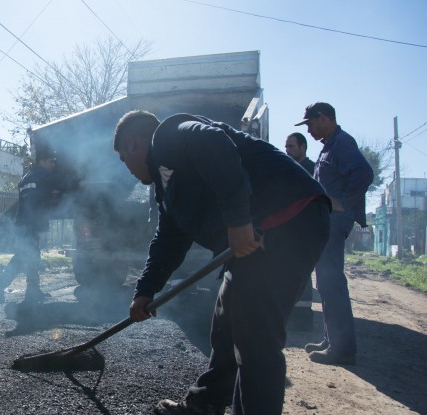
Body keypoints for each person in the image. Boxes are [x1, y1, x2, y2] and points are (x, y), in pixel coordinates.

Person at [114, 110, 331, 415]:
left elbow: (213, 142)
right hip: (266, 233)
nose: (127, 169)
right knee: (227, 318)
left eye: (124, 159)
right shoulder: (166, 186)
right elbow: (169, 239)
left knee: (254, 337)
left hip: (287, 217)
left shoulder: (168, 134)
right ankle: (205, 403)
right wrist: (145, 291)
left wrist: (238, 219)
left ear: (132, 143)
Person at [295, 102, 373, 365]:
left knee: (332, 282)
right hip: (327, 223)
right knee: (325, 282)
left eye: (310, 123)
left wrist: (344, 202)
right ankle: (332, 340)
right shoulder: (329, 145)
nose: (309, 129)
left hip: (334, 222)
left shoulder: (342, 142)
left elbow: (364, 173)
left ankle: (342, 349)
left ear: (324, 118)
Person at [0, 149, 63, 303]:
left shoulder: (25, 178)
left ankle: (32, 291)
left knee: (30, 255)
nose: (53, 164)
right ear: (42, 162)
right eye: (50, 161)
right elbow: (62, 182)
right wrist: (78, 183)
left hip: (22, 222)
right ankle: (0, 285)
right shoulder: (42, 175)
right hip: (31, 223)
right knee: (26, 256)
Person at [284, 132, 315, 331]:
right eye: (286, 146)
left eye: (291, 146)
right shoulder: (287, 167)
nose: (287, 150)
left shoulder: (312, 169)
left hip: (305, 229)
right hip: (289, 229)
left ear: (303, 147)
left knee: (302, 272)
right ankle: (288, 316)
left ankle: (302, 320)